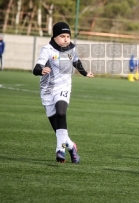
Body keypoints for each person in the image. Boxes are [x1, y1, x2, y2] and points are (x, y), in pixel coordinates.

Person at [32, 22, 94, 163]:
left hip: (63, 87)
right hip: (47, 91)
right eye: (62, 36)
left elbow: (76, 62)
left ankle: (60, 150)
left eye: (68, 36)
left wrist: (84, 73)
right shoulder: (47, 50)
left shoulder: (71, 49)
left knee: (61, 113)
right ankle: (71, 146)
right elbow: (36, 68)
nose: (66, 39)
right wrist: (41, 70)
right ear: (54, 37)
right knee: (58, 129)